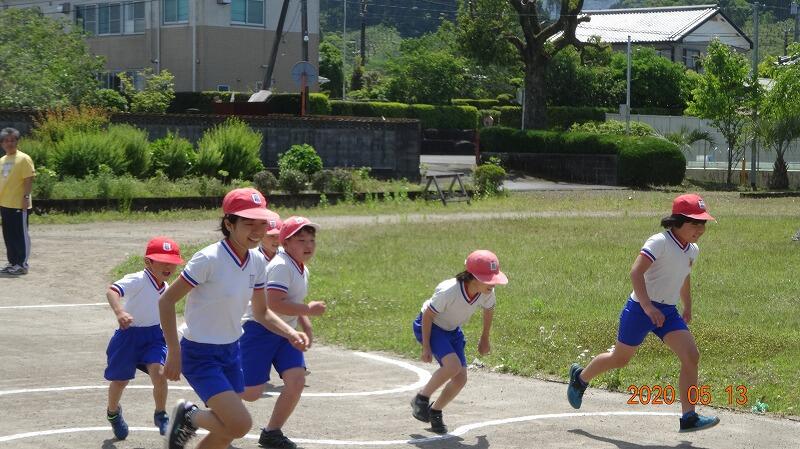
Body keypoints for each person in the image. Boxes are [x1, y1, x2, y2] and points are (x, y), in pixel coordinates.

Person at [159, 188, 309, 449]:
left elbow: (261, 312)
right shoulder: (208, 259)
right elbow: (166, 301)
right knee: (239, 424)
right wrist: (173, 351)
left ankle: (191, 418)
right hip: (200, 354)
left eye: (262, 223)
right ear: (229, 224)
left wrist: (290, 332)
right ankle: (189, 416)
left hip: (231, 351)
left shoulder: (257, 261)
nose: (258, 230)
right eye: (249, 223)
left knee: (227, 431)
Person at [567, 193, 720, 433]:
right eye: (694, 223)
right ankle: (580, 378)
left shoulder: (692, 250)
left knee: (691, 356)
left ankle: (689, 416)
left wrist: (687, 305)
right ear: (677, 221)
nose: (700, 229)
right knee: (620, 359)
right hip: (640, 309)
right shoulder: (659, 242)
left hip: (667, 312)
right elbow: (636, 272)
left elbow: (684, 277)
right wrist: (648, 306)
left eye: (703, 224)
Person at [240, 216, 325, 449]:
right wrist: (307, 310)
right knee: (250, 392)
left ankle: (272, 432)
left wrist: (305, 323)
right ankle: (215, 405)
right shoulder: (281, 265)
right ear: (285, 243)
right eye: (301, 240)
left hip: (285, 332)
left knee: (296, 381)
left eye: (311, 240)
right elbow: (274, 303)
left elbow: (292, 300)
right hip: (260, 329)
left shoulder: (301, 267)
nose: (308, 245)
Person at [410, 250, 508, 434]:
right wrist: (426, 347)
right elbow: (428, 315)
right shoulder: (450, 291)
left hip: (452, 331)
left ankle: (435, 411)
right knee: (452, 366)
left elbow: (488, 311)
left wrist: (485, 338)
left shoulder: (487, 292)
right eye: (488, 279)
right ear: (472, 277)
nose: (493, 283)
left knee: (460, 378)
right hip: (431, 326)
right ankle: (421, 399)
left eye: (494, 278)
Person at [104, 237, 184, 440]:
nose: (168, 266)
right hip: (128, 336)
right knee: (120, 381)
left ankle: (160, 414)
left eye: (172, 262)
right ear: (148, 262)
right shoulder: (138, 279)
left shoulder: (167, 288)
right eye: (163, 261)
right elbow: (112, 291)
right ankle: (113, 413)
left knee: (159, 373)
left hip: (154, 337)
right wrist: (120, 312)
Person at [0, 127, 35, 276]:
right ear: (2, 143)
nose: (10, 143)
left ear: (17, 142)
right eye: (6, 141)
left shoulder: (23, 158)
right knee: (8, 236)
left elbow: (28, 179)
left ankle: (22, 264)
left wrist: (26, 197)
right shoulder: (2, 160)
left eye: (13, 140)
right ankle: (12, 263)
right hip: (5, 204)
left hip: (19, 204)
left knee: (20, 235)